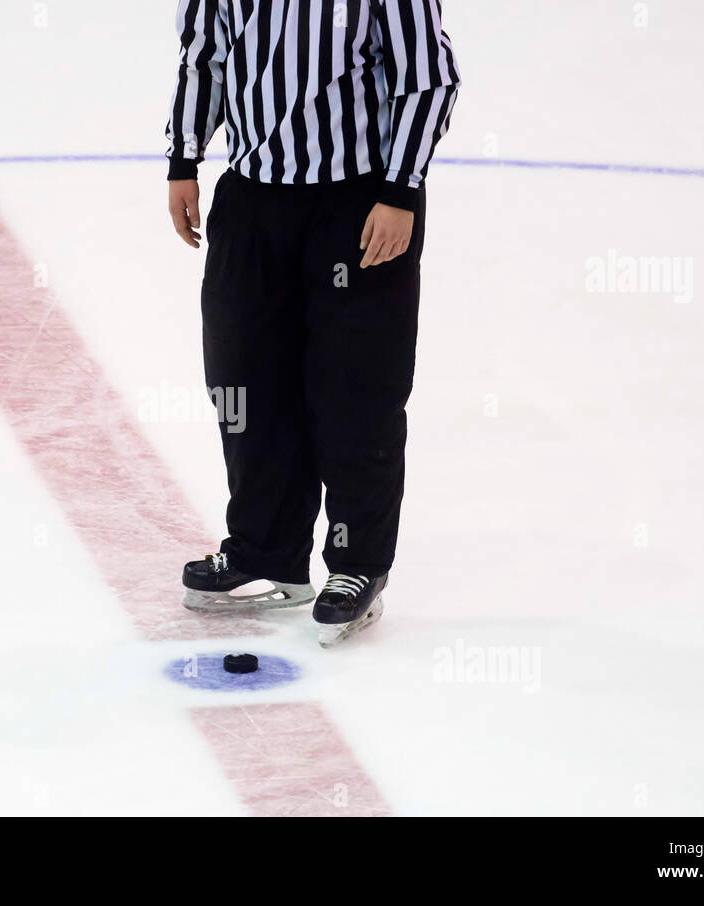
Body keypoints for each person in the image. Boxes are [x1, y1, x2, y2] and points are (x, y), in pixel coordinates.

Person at [167, 0, 459, 645]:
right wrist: (184, 159)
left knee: (355, 391)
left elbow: (427, 77)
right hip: (250, 200)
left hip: (358, 202)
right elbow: (206, 56)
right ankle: (267, 552)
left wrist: (401, 189)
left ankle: (357, 566)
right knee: (243, 381)